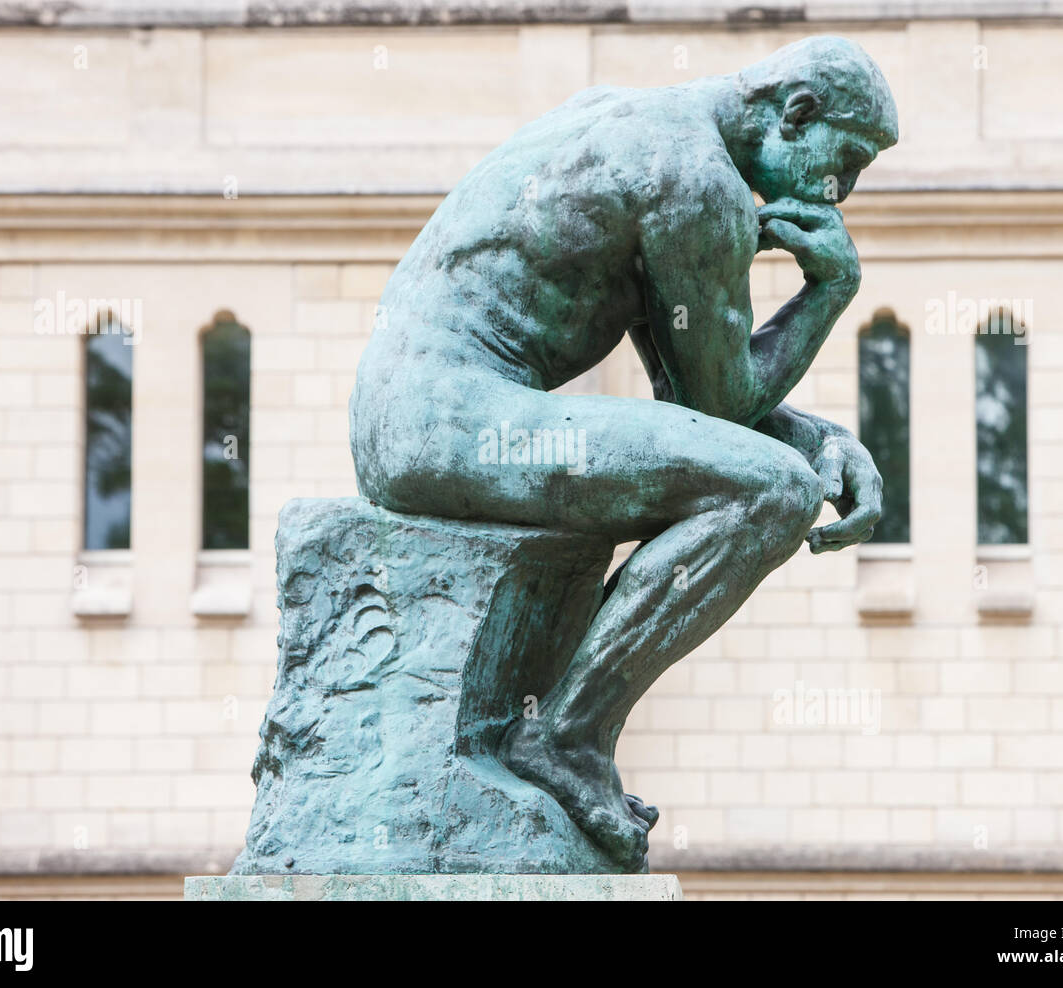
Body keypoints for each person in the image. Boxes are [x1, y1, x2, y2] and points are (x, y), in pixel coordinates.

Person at [350, 35, 898, 868]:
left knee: (767, 475)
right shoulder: (695, 181)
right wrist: (831, 291)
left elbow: (693, 403)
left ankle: (557, 732)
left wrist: (822, 437)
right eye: (846, 160)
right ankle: (565, 737)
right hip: (447, 414)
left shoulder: (637, 119)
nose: (845, 192)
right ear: (796, 112)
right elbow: (721, 408)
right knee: (773, 496)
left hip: (410, 407)